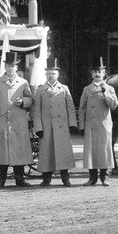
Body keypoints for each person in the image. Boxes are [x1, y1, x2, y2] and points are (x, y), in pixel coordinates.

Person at [0, 52, 34, 188]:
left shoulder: (23, 83)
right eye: (8, 66)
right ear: (5, 67)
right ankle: (0, 180)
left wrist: (23, 101)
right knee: (2, 153)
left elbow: (31, 100)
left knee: (19, 152)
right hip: (3, 123)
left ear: (16, 67)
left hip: (18, 123)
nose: (10, 69)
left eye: (13, 66)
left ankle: (20, 179)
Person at [32, 58, 78, 187]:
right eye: (49, 74)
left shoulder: (64, 89)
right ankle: (46, 179)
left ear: (58, 75)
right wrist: (38, 128)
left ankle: (65, 179)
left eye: (54, 74)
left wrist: (72, 124)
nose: (51, 76)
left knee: (63, 153)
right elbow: (37, 111)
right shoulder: (41, 90)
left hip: (61, 127)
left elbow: (70, 107)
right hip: (46, 127)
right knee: (47, 154)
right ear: (45, 75)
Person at [78, 57, 118, 186]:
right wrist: (81, 125)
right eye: (94, 72)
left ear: (104, 73)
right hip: (91, 125)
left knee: (104, 150)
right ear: (91, 74)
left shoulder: (110, 89)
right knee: (91, 151)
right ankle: (92, 177)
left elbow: (114, 105)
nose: (97, 74)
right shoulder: (87, 89)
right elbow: (82, 108)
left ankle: (104, 177)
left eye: (99, 72)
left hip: (104, 124)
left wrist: (105, 92)